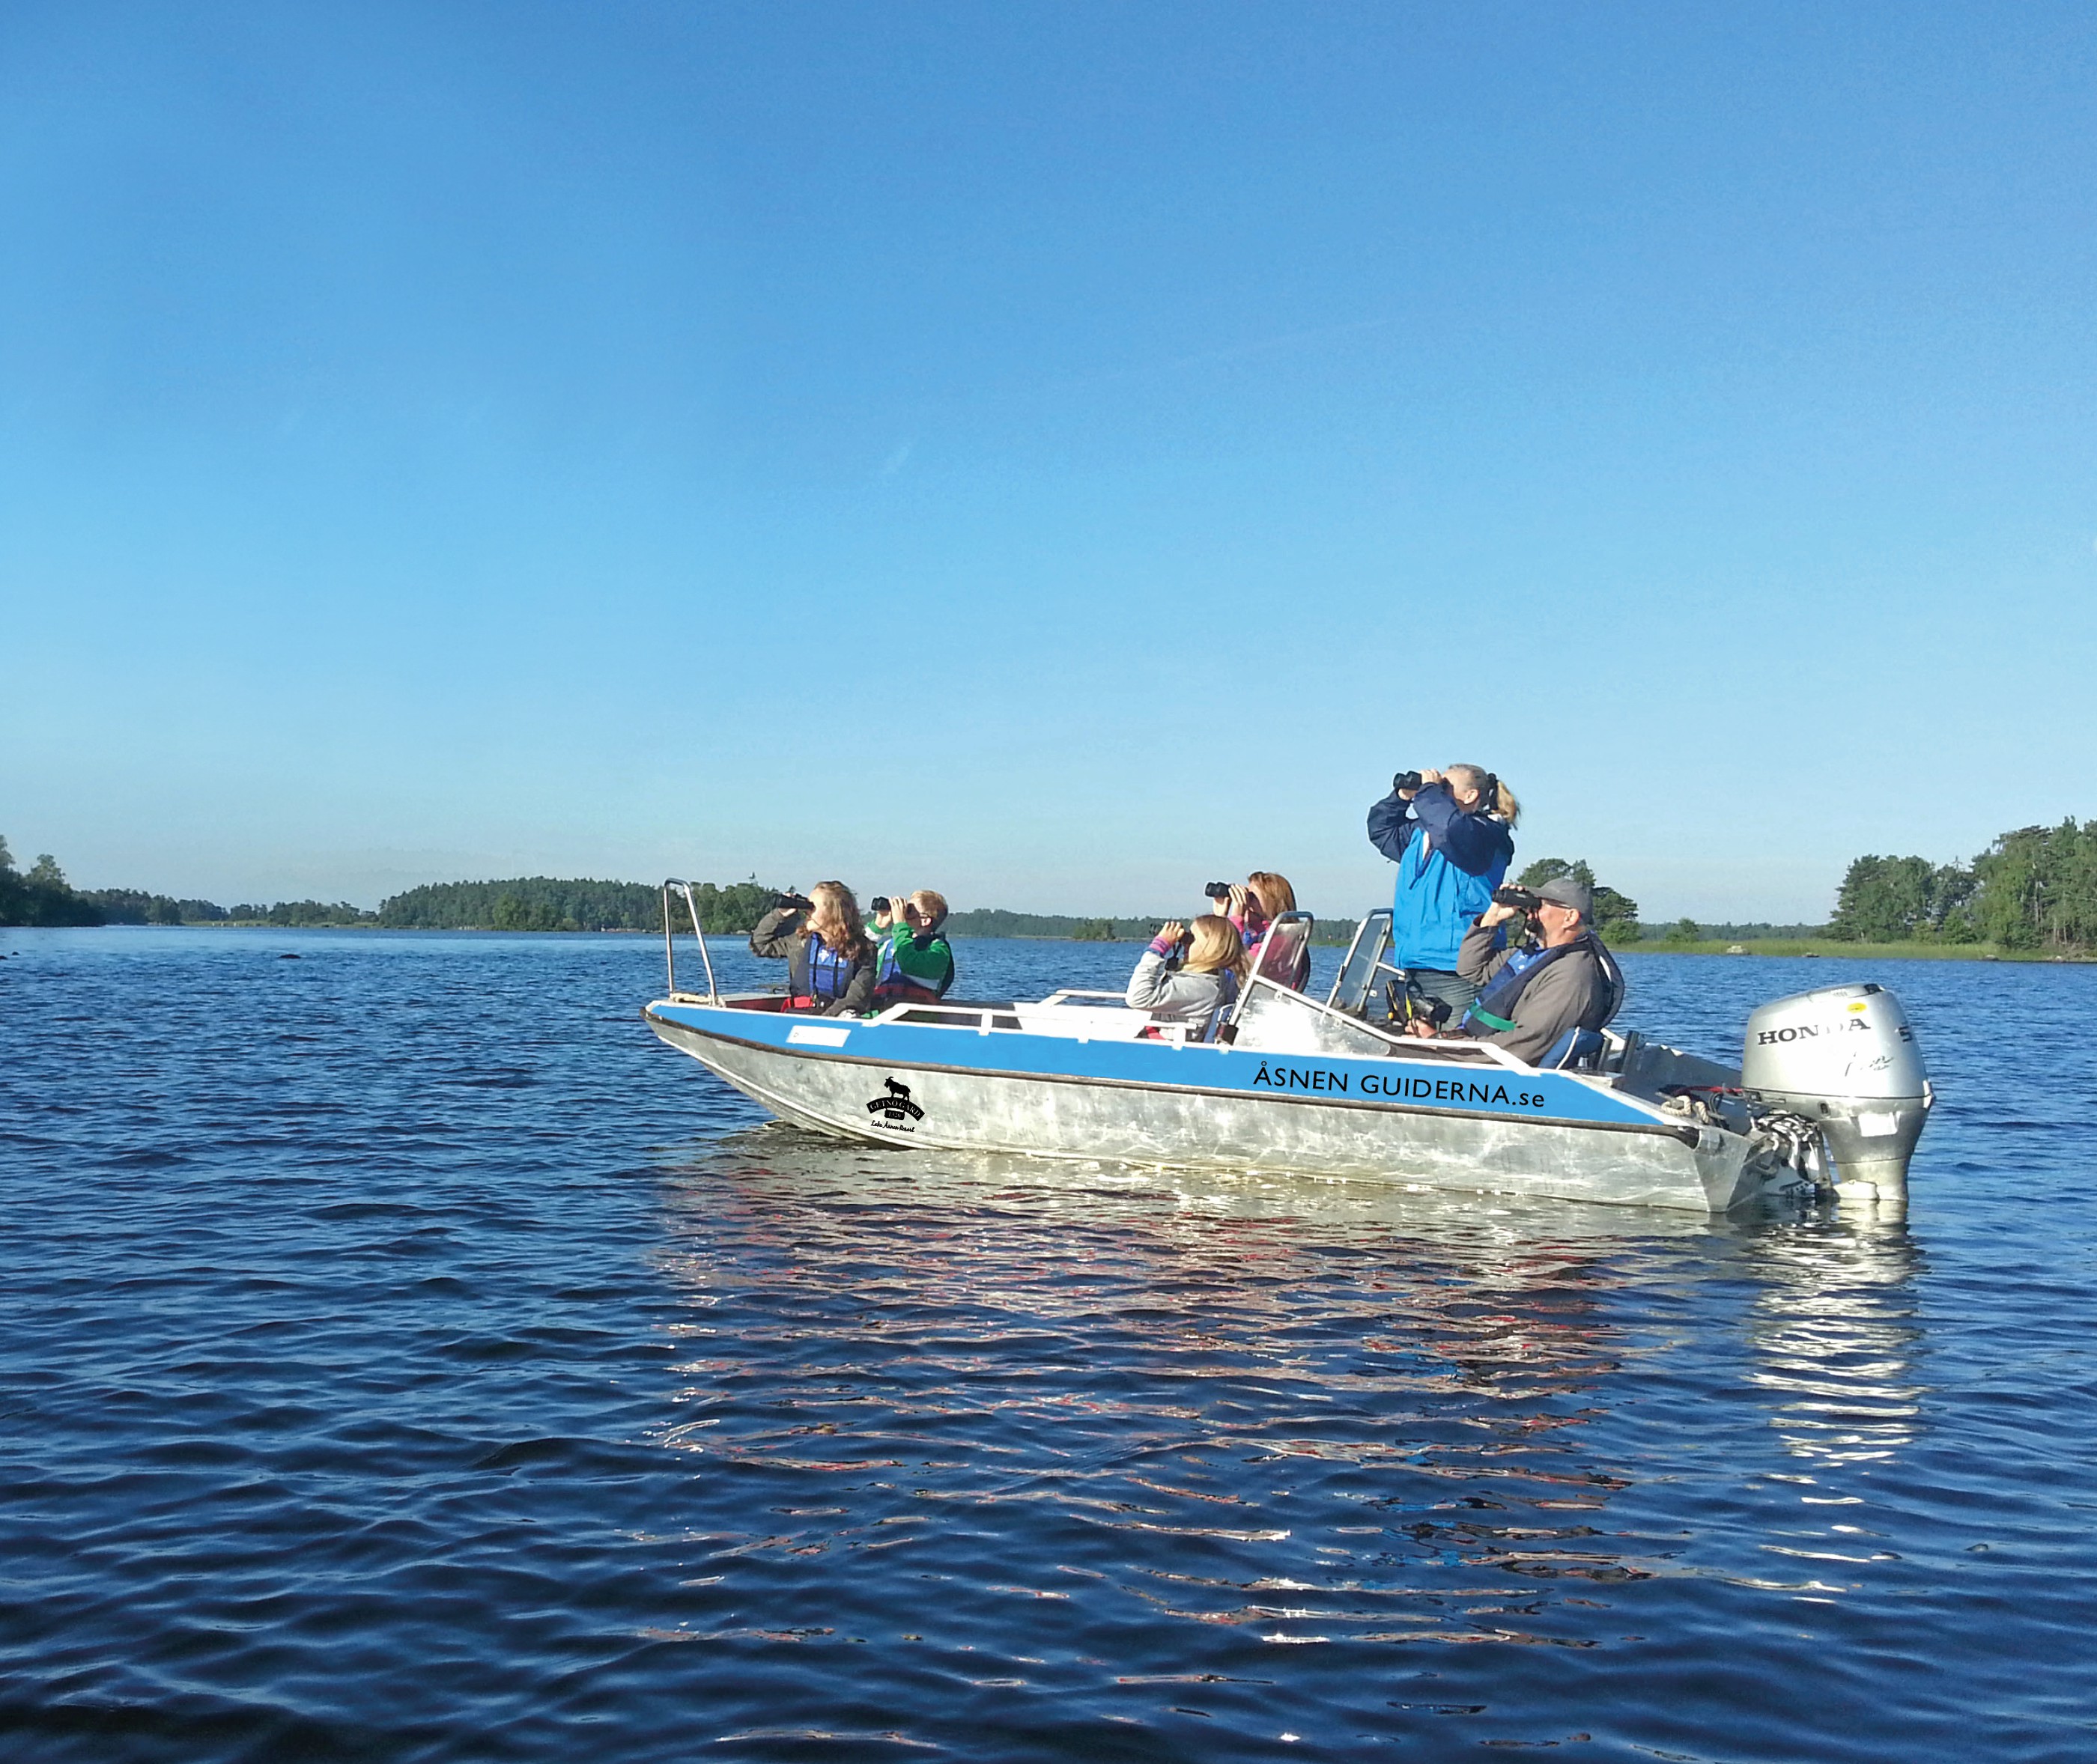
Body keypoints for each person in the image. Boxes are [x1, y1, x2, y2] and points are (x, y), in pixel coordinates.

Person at [1367, 764, 1519, 1017]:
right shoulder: (1422, 834)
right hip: (1418, 961)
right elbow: (1381, 830)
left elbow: (1451, 830)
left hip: (1460, 967)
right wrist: (1401, 798)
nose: (1438, 789)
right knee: (1419, 1039)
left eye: (1445, 787)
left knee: (1457, 1040)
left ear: (1470, 796)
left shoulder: (1486, 834)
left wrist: (1428, 790)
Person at [1443, 875, 1624, 1065]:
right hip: (1478, 1051)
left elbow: (1525, 1044)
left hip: (1500, 1069)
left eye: (1540, 905)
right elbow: (1471, 968)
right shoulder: (1534, 956)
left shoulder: (1571, 974)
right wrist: (1493, 916)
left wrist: (1446, 1048)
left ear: (1570, 917)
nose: (1531, 911)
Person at [748, 881, 878, 1015]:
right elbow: (759, 945)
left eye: (812, 907)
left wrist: (822, 1019)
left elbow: (856, 1000)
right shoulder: (801, 942)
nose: (807, 911)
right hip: (798, 1014)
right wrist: (779, 914)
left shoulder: (864, 950)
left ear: (833, 912)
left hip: (835, 1020)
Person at [1126, 914, 1251, 1033]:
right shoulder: (1210, 980)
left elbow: (1138, 997)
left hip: (1165, 1046)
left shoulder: (1201, 987)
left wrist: (1158, 948)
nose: (1185, 944)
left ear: (1212, 947)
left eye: (1192, 939)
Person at [1223, 872, 1311, 991]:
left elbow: (1239, 968)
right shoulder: (1254, 936)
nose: (1246, 902)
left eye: (1252, 897)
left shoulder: (1279, 940)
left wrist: (1236, 920)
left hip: (1255, 1000)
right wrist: (1220, 918)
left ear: (1273, 902)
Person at [871, 889, 956, 1006]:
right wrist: (877, 928)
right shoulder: (888, 946)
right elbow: (854, 957)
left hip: (913, 1012)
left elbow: (908, 963)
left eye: (909, 910)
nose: (903, 913)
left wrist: (900, 925)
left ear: (925, 920)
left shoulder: (939, 950)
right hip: (880, 1010)